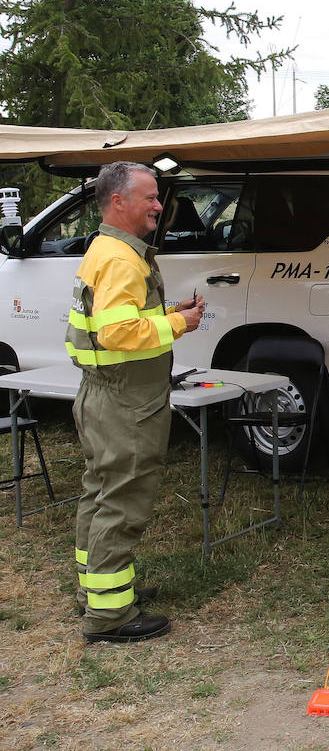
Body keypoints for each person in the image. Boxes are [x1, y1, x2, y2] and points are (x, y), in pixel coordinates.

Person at [66, 161, 204, 643]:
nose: (158, 205)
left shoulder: (107, 248)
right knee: (122, 502)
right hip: (127, 401)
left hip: (104, 394)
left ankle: (99, 592)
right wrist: (180, 324)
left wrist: (167, 312)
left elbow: (118, 318)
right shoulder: (123, 258)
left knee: (101, 491)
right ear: (118, 202)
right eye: (149, 196)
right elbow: (118, 332)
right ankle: (108, 617)